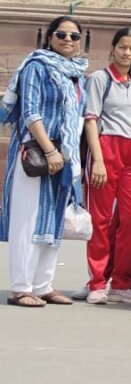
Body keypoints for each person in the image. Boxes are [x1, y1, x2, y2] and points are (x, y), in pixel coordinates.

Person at [0, 15, 88, 307]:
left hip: (64, 153)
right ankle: (21, 287)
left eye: (74, 36)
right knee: (28, 217)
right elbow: (30, 112)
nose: (68, 40)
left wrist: (67, 155)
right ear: (49, 37)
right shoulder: (36, 67)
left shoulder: (76, 74)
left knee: (53, 217)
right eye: (61, 34)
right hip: (36, 151)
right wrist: (49, 151)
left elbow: (78, 116)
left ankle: (42, 284)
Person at [82, 27, 131, 305]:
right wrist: (97, 159)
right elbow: (91, 119)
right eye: (122, 47)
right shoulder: (100, 78)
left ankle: (121, 282)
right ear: (113, 48)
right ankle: (97, 282)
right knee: (101, 220)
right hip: (106, 147)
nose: (127, 53)